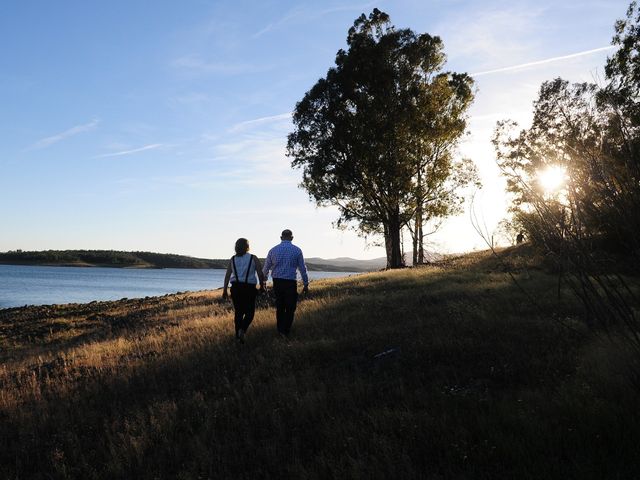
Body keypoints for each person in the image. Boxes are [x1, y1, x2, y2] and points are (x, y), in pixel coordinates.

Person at [262, 229, 309, 338]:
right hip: (290, 282)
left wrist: (263, 281)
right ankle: (286, 330)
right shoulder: (297, 250)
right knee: (290, 307)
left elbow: (266, 268)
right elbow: (302, 268)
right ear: (292, 238)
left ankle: (280, 330)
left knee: (280, 306)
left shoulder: (273, 250)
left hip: (277, 281)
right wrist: (306, 283)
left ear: (281, 237)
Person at [222, 238, 266, 342]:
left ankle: (238, 336)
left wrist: (224, 290)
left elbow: (227, 275)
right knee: (250, 313)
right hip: (249, 289)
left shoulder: (233, 259)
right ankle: (242, 330)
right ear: (247, 246)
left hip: (236, 288)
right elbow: (260, 273)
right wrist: (262, 286)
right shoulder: (253, 258)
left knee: (238, 313)